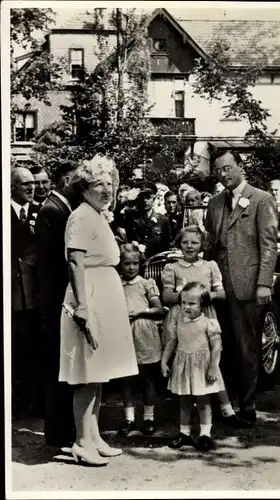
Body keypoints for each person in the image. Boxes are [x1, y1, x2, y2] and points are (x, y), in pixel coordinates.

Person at [59, 154, 138, 466]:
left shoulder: (97, 215)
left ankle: (94, 437)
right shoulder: (80, 216)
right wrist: (82, 306)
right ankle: (81, 442)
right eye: (98, 184)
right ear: (84, 188)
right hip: (89, 295)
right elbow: (75, 262)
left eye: (110, 183)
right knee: (86, 372)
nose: (106, 189)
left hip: (105, 294)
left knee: (99, 373)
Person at [205, 150, 278, 427]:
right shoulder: (213, 203)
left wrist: (263, 283)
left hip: (247, 285)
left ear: (240, 167)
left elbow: (268, 246)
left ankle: (248, 406)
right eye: (219, 170)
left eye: (228, 168)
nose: (224, 174)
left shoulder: (262, 199)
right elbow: (211, 243)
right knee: (218, 345)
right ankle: (224, 406)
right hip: (218, 285)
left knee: (247, 347)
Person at [161, 225, 242, 428]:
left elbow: (221, 294)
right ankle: (186, 410)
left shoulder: (209, 266)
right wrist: (186, 297)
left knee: (209, 360)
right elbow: (167, 296)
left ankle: (226, 408)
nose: (190, 246)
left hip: (205, 317)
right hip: (180, 318)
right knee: (183, 360)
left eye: (194, 242)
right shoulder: (173, 268)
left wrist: (202, 297)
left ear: (202, 245)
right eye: (185, 242)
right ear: (179, 244)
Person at [35, 161, 79, 446]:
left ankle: (63, 428)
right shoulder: (52, 211)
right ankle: (58, 431)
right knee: (57, 364)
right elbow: (56, 263)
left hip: (57, 298)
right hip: (55, 300)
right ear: (66, 180)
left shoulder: (59, 208)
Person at [161, 281, 223, 451]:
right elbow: (172, 342)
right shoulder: (179, 321)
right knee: (184, 401)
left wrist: (212, 368)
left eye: (192, 303)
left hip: (201, 367)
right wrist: (164, 361)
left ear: (202, 305)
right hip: (183, 366)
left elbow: (217, 347)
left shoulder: (208, 323)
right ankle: (184, 433)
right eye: (183, 303)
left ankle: (205, 434)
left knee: (203, 402)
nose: (187, 307)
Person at [118, 243, 164, 437]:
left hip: (143, 334)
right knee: (127, 380)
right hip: (123, 334)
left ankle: (149, 418)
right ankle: (129, 419)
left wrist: (140, 312)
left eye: (135, 263)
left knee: (147, 378)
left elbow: (159, 309)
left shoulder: (146, 284)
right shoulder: (115, 285)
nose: (131, 267)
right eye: (126, 263)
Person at [11, 167, 41, 418]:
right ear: (12, 186)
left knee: (34, 348)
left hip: (35, 293)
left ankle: (33, 402)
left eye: (33, 184)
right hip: (12, 293)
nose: (32, 188)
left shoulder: (39, 212)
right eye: (25, 185)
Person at [123, 181, 171, 258]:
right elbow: (116, 218)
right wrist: (126, 200)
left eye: (148, 198)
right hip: (135, 262)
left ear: (154, 199)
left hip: (155, 264)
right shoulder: (130, 217)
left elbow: (165, 246)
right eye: (141, 198)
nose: (145, 201)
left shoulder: (163, 220)